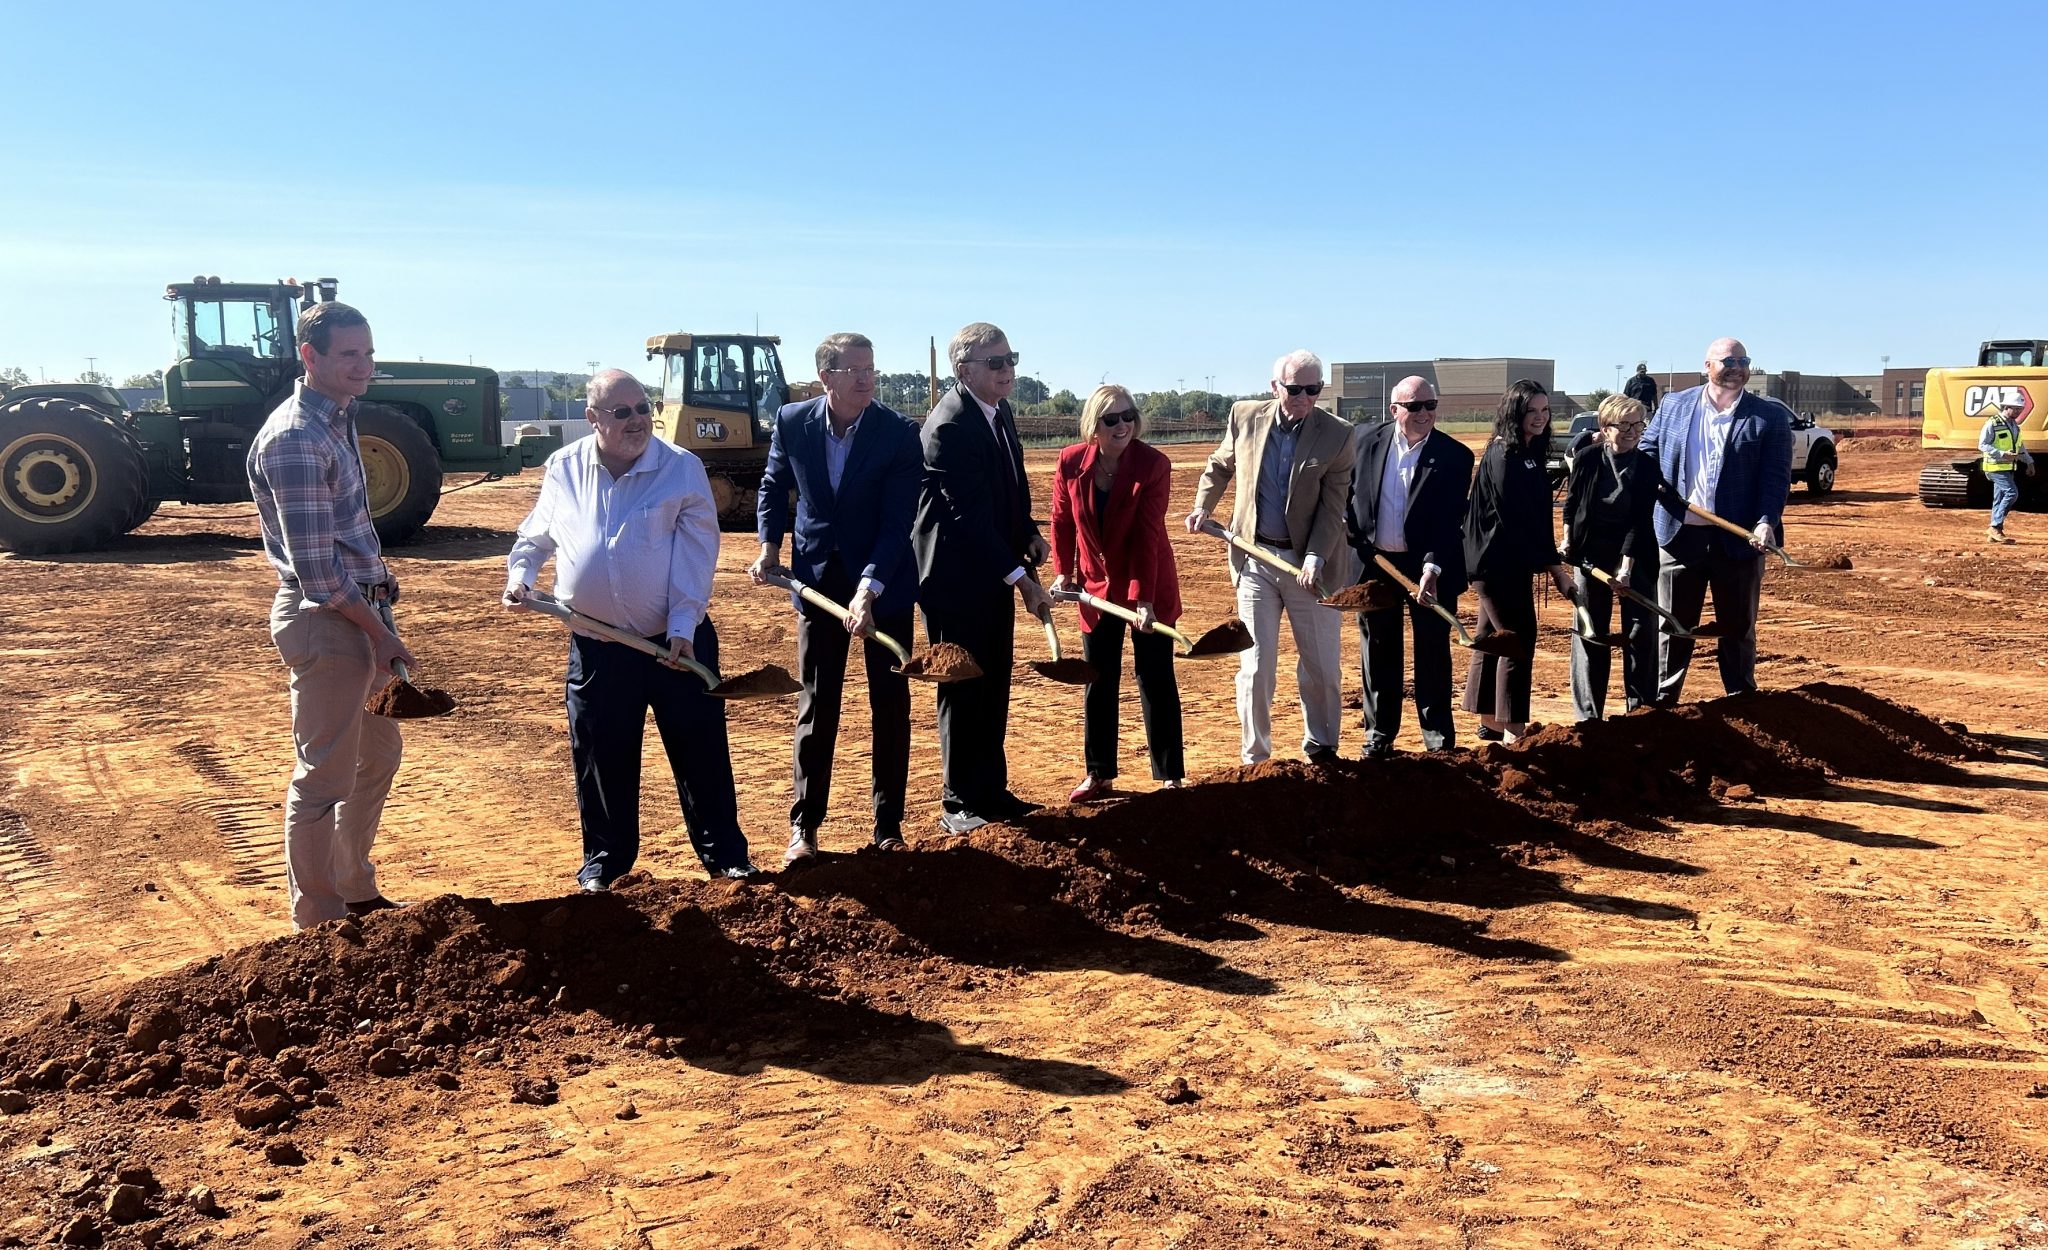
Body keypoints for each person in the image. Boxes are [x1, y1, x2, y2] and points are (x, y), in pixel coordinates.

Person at [504, 368, 755, 887]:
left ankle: (725, 855)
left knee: (700, 749)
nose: (638, 420)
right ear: (593, 418)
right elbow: (537, 533)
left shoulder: (680, 468)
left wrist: (684, 623)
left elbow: (696, 552)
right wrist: (521, 576)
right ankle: (605, 861)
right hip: (599, 645)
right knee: (601, 753)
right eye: (622, 412)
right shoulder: (565, 468)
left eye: (643, 408)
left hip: (674, 641)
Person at [247, 300, 412, 930]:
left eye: (368, 353)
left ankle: (353, 887)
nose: (364, 366)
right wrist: (379, 636)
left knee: (377, 755)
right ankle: (317, 922)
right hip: (328, 619)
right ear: (309, 356)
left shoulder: (336, 419)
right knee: (324, 778)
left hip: (360, 609)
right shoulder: (295, 437)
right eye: (350, 355)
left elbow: (347, 534)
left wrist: (381, 594)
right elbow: (317, 574)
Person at [749, 333, 923, 864]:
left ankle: (887, 826)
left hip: (885, 585)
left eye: (871, 368)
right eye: (854, 370)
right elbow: (774, 487)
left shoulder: (897, 433)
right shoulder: (792, 422)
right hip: (818, 584)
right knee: (817, 704)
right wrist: (768, 546)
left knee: (889, 705)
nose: (867, 378)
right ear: (826, 377)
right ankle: (804, 827)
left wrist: (869, 589)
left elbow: (898, 524)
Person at [911, 322, 1054, 834]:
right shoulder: (950, 425)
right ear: (964, 369)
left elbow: (1006, 489)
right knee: (961, 684)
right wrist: (1023, 580)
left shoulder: (998, 411)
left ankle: (990, 792)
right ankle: (957, 802)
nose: (1008, 369)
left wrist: (1029, 533)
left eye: (1010, 358)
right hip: (954, 580)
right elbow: (966, 516)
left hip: (991, 567)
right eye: (996, 362)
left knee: (993, 683)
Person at [1186, 350, 1356, 765]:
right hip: (1254, 557)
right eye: (1295, 389)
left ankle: (1322, 747)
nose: (1304, 397)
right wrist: (1203, 506)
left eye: (1313, 390)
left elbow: (1334, 506)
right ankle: (1256, 757)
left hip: (1310, 567)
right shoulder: (1244, 416)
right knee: (1256, 666)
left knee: (1320, 666)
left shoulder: (1338, 434)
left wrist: (1315, 556)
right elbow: (1220, 465)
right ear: (1275, 385)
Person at [1049, 385, 1185, 801]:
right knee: (1099, 678)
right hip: (1096, 589)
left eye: (1128, 416)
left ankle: (1169, 775)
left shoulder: (1153, 465)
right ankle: (1100, 773)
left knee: (1154, 675)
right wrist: (1063, 574)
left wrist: (1144, 599)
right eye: (1112, 419)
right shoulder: (1072, 461)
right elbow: (1062, 522)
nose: (1123, 425)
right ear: (1094, 424)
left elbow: (1148, 534)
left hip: (1149, 584)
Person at [1639, 337, 1792, 702]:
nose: (1737, 367)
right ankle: (1664, 700)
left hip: (1739, 540)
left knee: (1738, 628)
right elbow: (1647, 453)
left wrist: (1766, 520)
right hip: (1680, 536)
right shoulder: (1675, 405)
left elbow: (1776, 477)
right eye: (1728, 361)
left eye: (1743, 360)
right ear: (1707, 366)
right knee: (1674, 625)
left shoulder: (1768, 416)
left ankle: (1740, 698)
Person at [1345, 376, 1475, 757]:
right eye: (1415, 406)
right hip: (1376, 564)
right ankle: (1379, 733)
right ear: (1394, 409)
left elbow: (1449, 521)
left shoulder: (1455, 456)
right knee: (1379, 650)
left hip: (1430, 565)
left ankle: (1437, 737)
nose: (1424, 414)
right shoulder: (1364, 441)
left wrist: (1431, 570)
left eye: (1430, 406)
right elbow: (1345, 490)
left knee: (1433, 652)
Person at [1461, 381, 1577, 742]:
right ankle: (1514, 729)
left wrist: (1552, 564)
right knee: (1516, 639)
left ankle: (1491, 723)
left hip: (1511, 562)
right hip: (1496, 564)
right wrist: (1555, 568)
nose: (1540, 418)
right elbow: (1515, 518)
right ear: (1515, 412)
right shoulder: (1504, 454)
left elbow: (1537, 516)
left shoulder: (1529, 452)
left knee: (1491, 636)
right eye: (1532, 411)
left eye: (1545, 411)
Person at [1561, 395, 1663, 721]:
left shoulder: (1646, 466)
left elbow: (1640, 520)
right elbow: (1572, 504)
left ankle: (1640, 709)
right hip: (1590, 555)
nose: (1634, 431)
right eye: (1626, 425)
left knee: (1639, 632)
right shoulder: (1588, 458)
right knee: (1591, 630)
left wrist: (1626, 568)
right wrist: (1567, 540)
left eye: (1639, 424)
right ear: (1606, 428)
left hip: (1635, 556)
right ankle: (1589, 715)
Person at [1979, 395, 2036, 543]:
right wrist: (2002, 454)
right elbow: (1983, 445)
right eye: (2015, 409)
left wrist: (2029, 462)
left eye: (2020, 409)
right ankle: (1995, 526)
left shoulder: (2014, 426)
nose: (2018, 412)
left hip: (2008, 467)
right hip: (1994, 467)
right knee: (2012, 493)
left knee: (1998, 500)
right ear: (2006, 407)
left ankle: (1994, 534)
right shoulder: (1993, 423)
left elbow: (2020, 446)